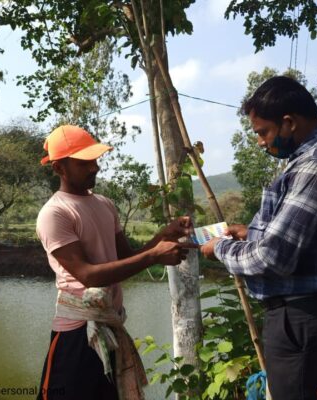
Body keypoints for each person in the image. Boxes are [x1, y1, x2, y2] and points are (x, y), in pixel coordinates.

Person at [199, 76, 317, 400]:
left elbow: (273, 256)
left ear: (289, 123)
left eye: (263, 132)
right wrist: (252, 232)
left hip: (303, 320)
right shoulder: (307, 158)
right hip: (300, 317)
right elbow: (304, 236)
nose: (260, 142)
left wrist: (220, 247)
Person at [35, 125, 196, 400]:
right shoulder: (55, 213)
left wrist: (162, 237)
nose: (95, 167)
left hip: (110, 328)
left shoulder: (104, 204)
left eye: (95, 160)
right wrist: (154, 255)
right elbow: (88, 275)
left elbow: (123, 258)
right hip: (76, 334)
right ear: (59, 168)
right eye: (84, 162)